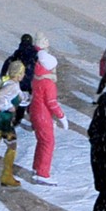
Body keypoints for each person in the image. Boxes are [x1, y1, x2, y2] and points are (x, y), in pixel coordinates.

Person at [27, 34, 68, 185]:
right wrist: (62, 117)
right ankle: (42, 173)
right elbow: (52, 103)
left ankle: (37, 168)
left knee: (41, 141)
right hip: (44, 114)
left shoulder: (37, 78)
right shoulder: (48, 83)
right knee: (48, 143)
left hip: (36, 112)